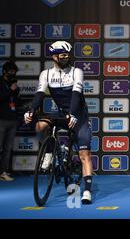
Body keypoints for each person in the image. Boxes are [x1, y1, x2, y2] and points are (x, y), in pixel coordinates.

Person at [24, 41, 94, 204]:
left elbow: (76, 95)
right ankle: (49, 152)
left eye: (68, 54)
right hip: (61, 113)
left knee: (85, 154)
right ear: (54, 56)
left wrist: (73, 114)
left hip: (79, 115)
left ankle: (87, 191)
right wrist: (31, 110)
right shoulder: (46, 74)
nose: (66, 58)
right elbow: (39, 95)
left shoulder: (77, 71)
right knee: (40, 125)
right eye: (62, 55)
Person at [0, 61, 21, 181]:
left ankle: (3, 172)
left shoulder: (13, 83)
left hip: (13, 119)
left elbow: (15, 100)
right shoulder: (1, 83)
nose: (13, 74)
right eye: (11, 71)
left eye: (15, 72)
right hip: (1, 119)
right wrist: (10, 90)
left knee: (7, 149)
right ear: (4, 71)